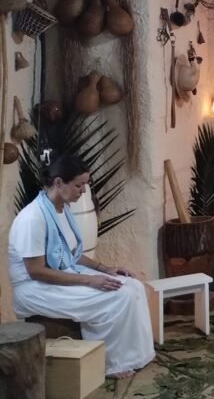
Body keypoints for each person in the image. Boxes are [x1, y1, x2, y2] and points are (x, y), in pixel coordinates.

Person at [8, 153, 155, 378]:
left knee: (132, 286)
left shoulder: (62, 209)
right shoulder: (33, 218)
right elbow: (36, 270)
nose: (84, 191)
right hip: (33, 289)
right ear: (59, 183)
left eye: (85, 184)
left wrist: (104, 269)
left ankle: (136, 356)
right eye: (79, 185)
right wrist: (89, 280)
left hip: (60, 274)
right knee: (116, 297)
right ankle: (108, 364)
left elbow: (70, 255)